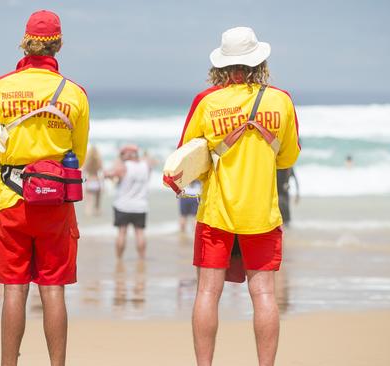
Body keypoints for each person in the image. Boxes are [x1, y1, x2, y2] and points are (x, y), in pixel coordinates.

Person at [0, 10, 89, 366]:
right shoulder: (74, 93)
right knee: (53, 290)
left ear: (25, 40)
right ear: (58, 45)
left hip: (10, 199)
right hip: (55, 201)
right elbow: (78, 155)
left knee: (15, 289)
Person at [178, 27, 300, 366]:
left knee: (207, 293)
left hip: (216, 213)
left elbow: (187, 157)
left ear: (221, 65)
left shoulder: (207, 102)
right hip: (262, 214)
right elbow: (288, 158)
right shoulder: (280, 100)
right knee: (263, 295)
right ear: (259, 62)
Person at [104, 144, 152, 260]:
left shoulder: (123, 167)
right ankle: (142, 257)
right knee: (140, 233)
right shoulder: (145, 166)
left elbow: (107, 174)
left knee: (122, 233)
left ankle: (119, 258)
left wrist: (118, 160)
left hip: (123, 205)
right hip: (140, 205)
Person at [83, 145, 103, 216]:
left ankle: (88, 211)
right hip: (97, 181)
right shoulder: (98, 160)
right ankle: (97, 210)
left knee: (89, 199)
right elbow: (101, 170)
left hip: (89, 181)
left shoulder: (87, 160)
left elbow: (84, 170)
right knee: (98, 198)